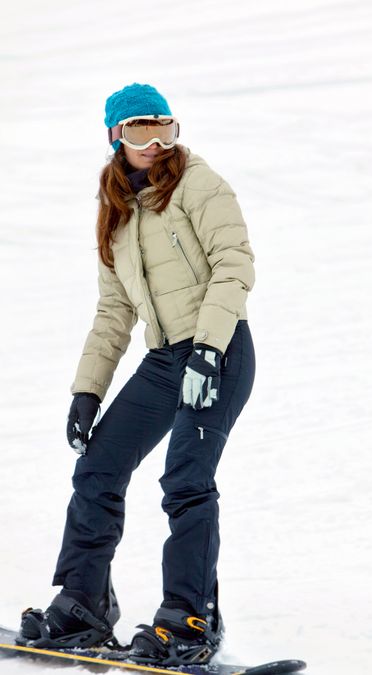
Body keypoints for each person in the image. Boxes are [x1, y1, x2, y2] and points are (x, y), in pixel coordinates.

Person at [17, 83, 256, 665]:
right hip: (163, 360)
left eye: (165, 130)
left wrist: (207, 348)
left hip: (218, 352)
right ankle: (82, 604)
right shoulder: (115, 209)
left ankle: (190, 620)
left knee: (186, 479)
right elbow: (113, 311)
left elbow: (235, 263)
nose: (155, 144)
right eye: (138, 133)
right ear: (114, 139)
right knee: (98, 468)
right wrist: (87, 390)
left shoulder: (200, 184)